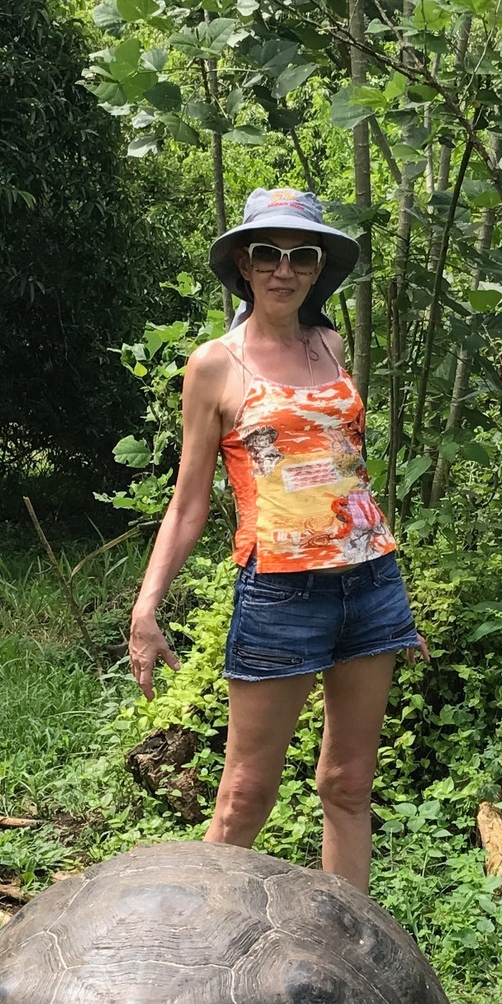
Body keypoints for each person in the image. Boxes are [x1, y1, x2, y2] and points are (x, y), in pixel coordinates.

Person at [127, 184, 422, 890]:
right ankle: (190, 961)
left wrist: (388, 584)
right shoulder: (215, 365)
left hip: (371, 587)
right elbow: (189, 502)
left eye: (301, 256)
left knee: (349, 785)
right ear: (243, 265)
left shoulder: (330, 343)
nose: (283, 269)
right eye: (267, 253)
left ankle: (349, 960)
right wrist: (146, 609)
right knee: (243, 799)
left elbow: (342, 471)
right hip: (281, 596)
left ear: (319, 269)